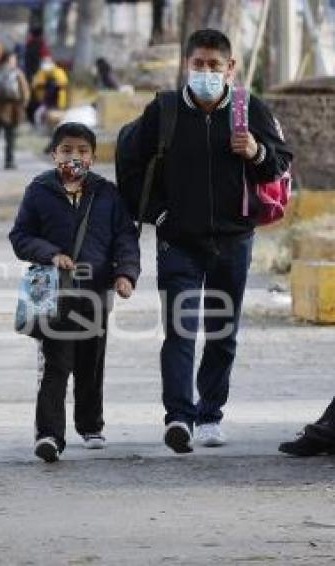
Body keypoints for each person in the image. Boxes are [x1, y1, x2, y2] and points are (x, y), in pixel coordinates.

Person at [125, 29, 292, 453]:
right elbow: (131, 165)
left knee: (222, 331)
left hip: (233, 241)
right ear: (186, 65)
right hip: (178, 240)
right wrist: (158, 214)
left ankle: (210, 415)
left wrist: (254, 150)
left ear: (230, 68)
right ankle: (179, 417)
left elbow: (278, 165)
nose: (206, 72)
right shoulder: (163, 110)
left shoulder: (247, 108)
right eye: (198, 64)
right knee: (181, 330)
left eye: (215, 66)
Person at [10, 122, 140, 462]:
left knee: (91, 362)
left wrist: (126, 274)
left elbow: (125, 237)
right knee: (56, 363)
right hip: (54, 295)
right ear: (54, 154)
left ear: (94, 158)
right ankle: (49, 434)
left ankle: (90, 424)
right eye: (67, 150)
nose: (74, 157)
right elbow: (20, 237)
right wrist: (49, 254)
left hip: (96, 292)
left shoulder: (107, 194)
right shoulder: (38, 191)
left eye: (82, 151)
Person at [0, 51, 30, 170]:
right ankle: (9, 161)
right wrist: (23, 105)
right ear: (10, 60)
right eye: (13, 59)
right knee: (10, 138)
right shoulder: (17, 73)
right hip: (11, 112)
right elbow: (25, 92)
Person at [29, 56, 69, 125]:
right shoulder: (42, 73)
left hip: (58, 102)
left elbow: (63, 84)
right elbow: (35, 83)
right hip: (45, 101)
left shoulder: (58, 73)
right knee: (39, 115)